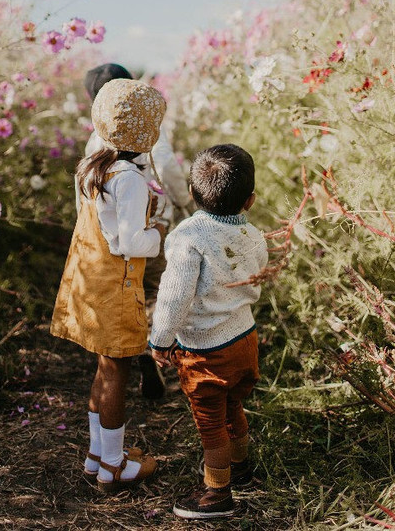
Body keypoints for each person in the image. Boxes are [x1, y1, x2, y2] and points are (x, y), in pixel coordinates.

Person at [51, 79, 168, 492]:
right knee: (117, 371)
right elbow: (130, 242)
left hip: (91, 283)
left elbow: (105, 224)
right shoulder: (130, 178)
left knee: (103, 369)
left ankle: (97, 455)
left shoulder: (93, 167)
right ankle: (113, 467)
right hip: (116, 287)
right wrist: (158, 232)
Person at [149, 144, 268, 520]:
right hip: (245, 339)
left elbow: (174, 296)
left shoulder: (189, 236)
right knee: (233, 407)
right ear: (249, 200)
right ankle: (241, 467)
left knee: (211, 423)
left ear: (192, 191)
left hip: (206, 352)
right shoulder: (254, 234)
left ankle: (218, 492)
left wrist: (160, 340)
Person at [82, 63, 190, 400]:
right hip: (151, 225)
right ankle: (152, 347)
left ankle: (130, 347)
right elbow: (166, 164)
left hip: (111, 237)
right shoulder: (145, 126)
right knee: (155, 287)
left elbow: (85, 197)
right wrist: (184, 200)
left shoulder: (95, 141)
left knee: (128, 290)